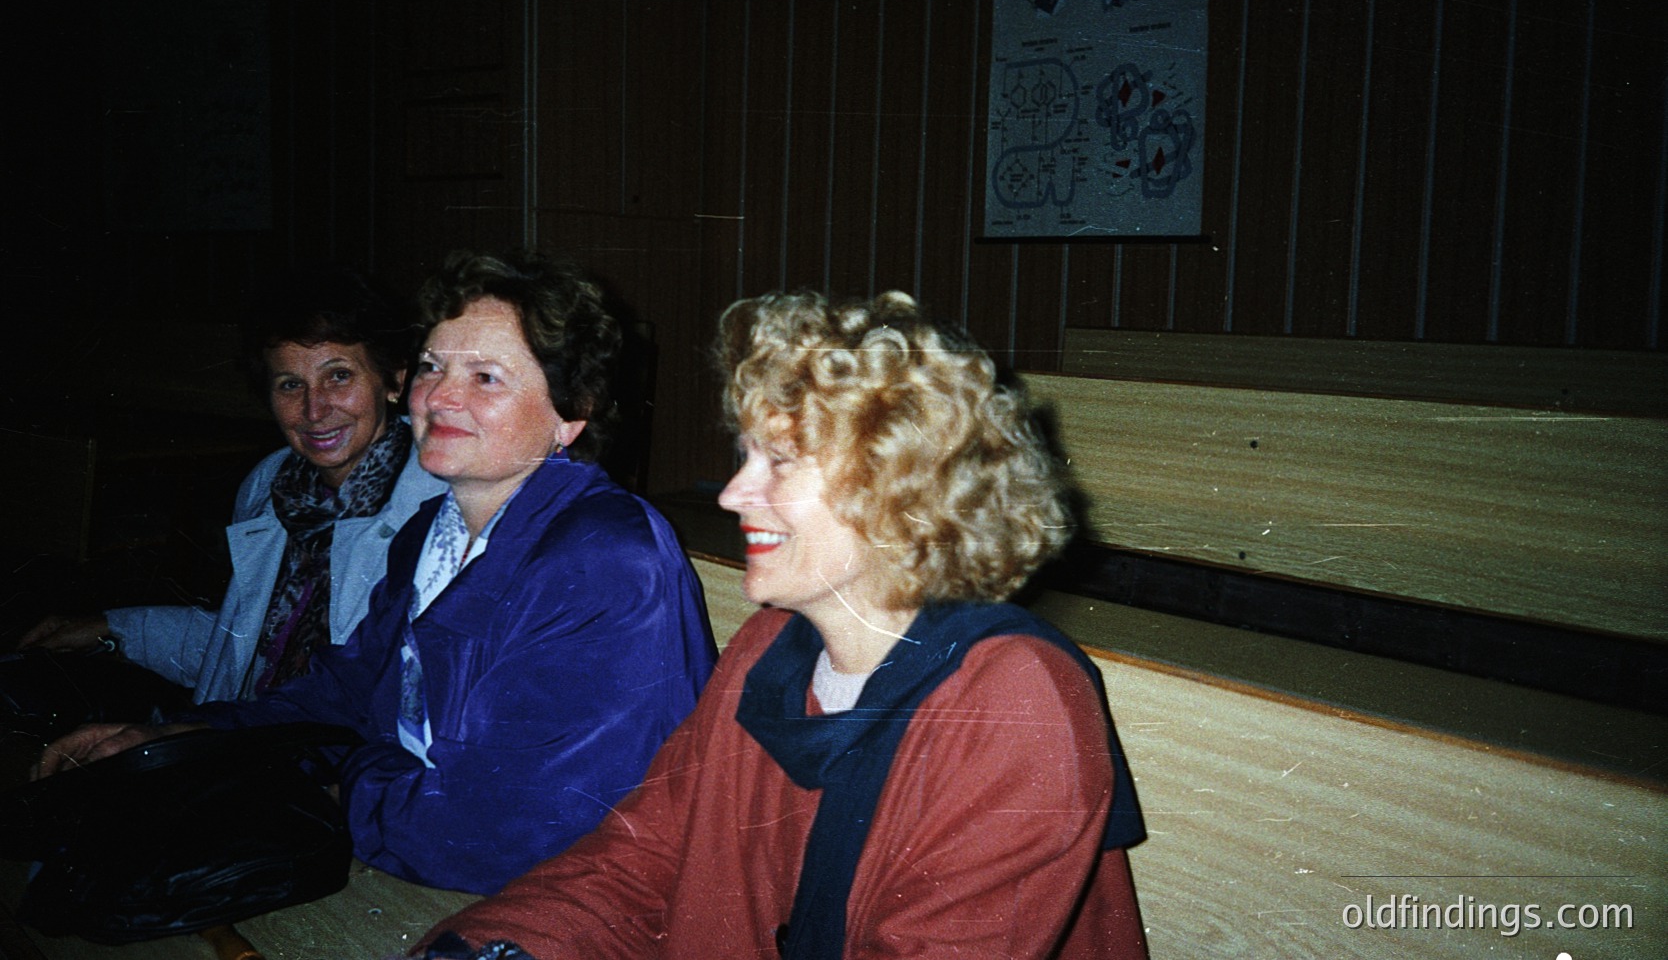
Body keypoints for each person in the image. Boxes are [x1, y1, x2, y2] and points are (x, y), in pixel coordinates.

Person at [418, 290, 1148, 959]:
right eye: (745, 455)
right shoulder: (768, 648)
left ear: (901, 491)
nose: (734, 494)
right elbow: (637, 860)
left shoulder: (1018, 700)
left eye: (781, 460)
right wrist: (487, 948)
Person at [39, 253, 719, 896]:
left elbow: (508, 833)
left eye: (485, 377)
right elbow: (345, 690)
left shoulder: (604, 556)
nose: (439, 398)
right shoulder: (432, 534)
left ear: (572, 415)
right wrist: (186, 740)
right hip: (412, 854)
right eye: (431, 366)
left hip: (564, 902)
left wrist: (344, 778)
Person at [19, 267, 446, 703]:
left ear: (393, 379)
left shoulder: (440, 505)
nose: (314, 409)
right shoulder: (272, 485)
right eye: (290, 384)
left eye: (339, 376)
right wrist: (113, 628)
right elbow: (242, 650)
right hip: (250, 739)